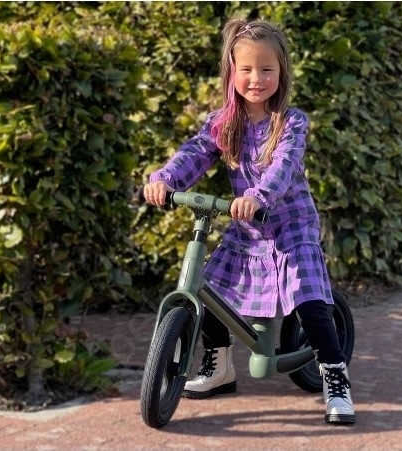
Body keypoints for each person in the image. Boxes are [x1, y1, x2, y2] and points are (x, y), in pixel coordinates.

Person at [143, 18, 355, 426]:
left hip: (291, 227)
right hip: (248, 229)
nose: (256, 79)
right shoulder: (223, 123)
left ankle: (335, 376)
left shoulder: (290, 122)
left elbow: (283, 166)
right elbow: (195, 153)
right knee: (212, 289)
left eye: (266, 69)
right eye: (246, 69)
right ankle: (219, 366)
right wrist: (165, 180)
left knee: (310, 300)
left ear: (281, 72)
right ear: (232, 72)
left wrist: (258, 196)